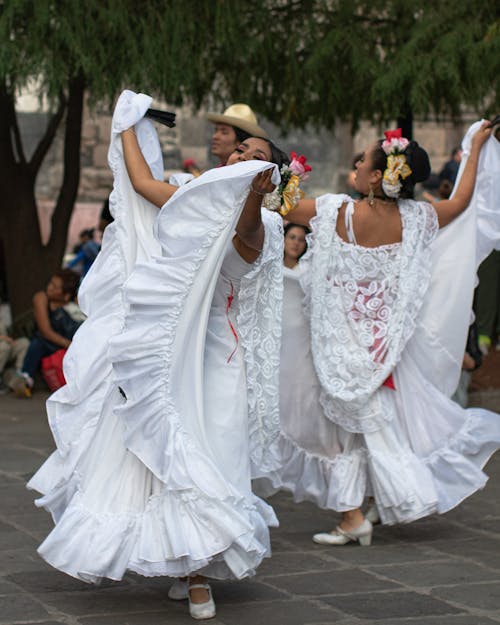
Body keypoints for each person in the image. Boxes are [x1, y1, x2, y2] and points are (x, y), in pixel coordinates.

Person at [28, 90, 287, 621]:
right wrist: (126, 124)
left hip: (213, 353)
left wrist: (253, 200)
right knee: (159, 450)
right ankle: (182, 563)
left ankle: (197, 576)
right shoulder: (194, 197)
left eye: (255, 155)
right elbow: (144, 185)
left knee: (204, 455)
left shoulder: (267, 221)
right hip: (170, 345)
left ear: (272, 175)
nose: (241, 157)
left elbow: (243, 248)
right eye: (240, 152)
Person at [256, 121, 500, 547]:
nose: (356, 162)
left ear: (375, 177)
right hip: (383, 349)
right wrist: (475, 147)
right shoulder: (418, 218)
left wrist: (284, 176)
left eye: (363, 159)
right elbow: (461, 201)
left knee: (343, 432)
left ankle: (371, 506)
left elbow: (279, 208)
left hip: (336, 346)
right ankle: (355, 514)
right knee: (359, 431)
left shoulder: (336, 212)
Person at [11, 269, 82, 397]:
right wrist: (70, 345)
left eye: (55, 287)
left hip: (68, 343)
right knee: (38, 343)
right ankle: (26, 378)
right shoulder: (41, 297)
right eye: (51, 283)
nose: (49, 288)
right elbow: (45, 331)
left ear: (66, 295)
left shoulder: (71, 308)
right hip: (48, 342)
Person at [0, 319, 29, 394]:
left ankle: (18, 374)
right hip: (3, 347)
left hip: (6, 350)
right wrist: (2, 338)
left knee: (24, 342)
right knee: (4, 346)